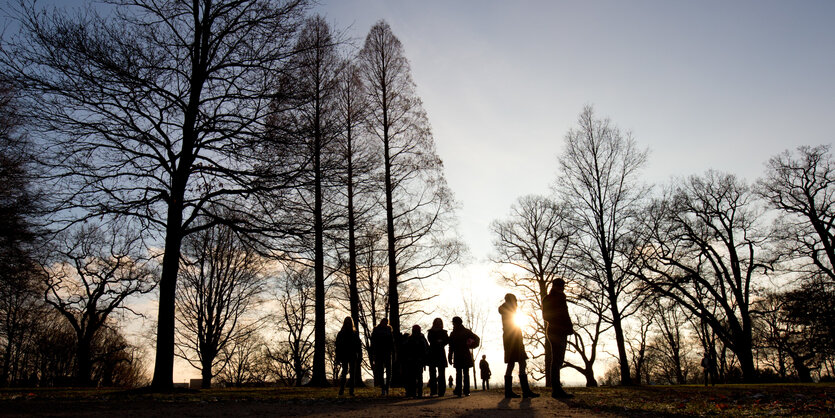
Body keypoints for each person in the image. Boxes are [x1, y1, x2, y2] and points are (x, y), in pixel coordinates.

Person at [499, 293, 539, 399]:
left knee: (512, 364)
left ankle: (509, 392)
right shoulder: (510, 310)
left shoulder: (505, 310)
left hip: (510, 339)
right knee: (521, 362)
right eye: (515, 300)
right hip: (514, 339)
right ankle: (525, 391)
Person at [542, 279, 574, 399]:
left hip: (561, 331)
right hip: (555, 331)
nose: (563, 288)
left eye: (563, 286)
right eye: (561, 286)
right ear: (555, 286)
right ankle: (556, 389)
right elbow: (546, 316)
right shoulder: (549, 299)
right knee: (556, 360)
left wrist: (569, 327)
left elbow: (566, 314)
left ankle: (557, 388)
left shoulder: (561, 297)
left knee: (558, 360)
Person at [448, 316, 477, 397]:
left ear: (456, 323)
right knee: (465, 373)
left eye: (453, 322)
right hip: (464, 354)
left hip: (459, 355)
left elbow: (451, 346)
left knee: (459, 373)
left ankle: (459, 390)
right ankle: (465, 390)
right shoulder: (466, 331)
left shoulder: (453, 333)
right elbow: (476, 339)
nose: (453, 324)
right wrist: (472, 344)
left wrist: (450, 356)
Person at [335, 316, 362, 396]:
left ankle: (343, 390)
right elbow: (358, 346)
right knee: (350, 372)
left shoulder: (342, 333)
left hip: (347, 354)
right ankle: (349, 390)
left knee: (346, 372)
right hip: (349, 354)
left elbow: (338, 345)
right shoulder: (353, 333)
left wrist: (337, 356)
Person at [371, 318, 395, 396]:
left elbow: (391, 342)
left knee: (388, 371)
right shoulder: (377, 330)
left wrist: (393, 352)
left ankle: (386, 387)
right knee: (381, 371)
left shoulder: (388, 330)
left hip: (386, 353)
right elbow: (373, 342)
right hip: (380, 353)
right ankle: (384, 387)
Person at [426, 318, 450, 397]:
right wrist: (439, 341)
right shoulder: (430, 332)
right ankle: (433, 391)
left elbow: (446, 341)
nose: (438, 324)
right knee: (432, 373)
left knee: (441, 373)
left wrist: (441, 342)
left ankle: (441, 391)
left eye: (439, 322)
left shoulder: (444, 332)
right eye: (437, 322)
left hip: (440, 353)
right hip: (433, 353)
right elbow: (430, 340)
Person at [405, 324, 429, 397]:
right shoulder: (421, 338)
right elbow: (426, 349)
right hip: (417, 360)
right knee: (417, 377)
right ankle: (418, 392)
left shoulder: (411, 338)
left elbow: (407, 350)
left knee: (413, 377)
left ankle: (414, 392)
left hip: (415, 360)